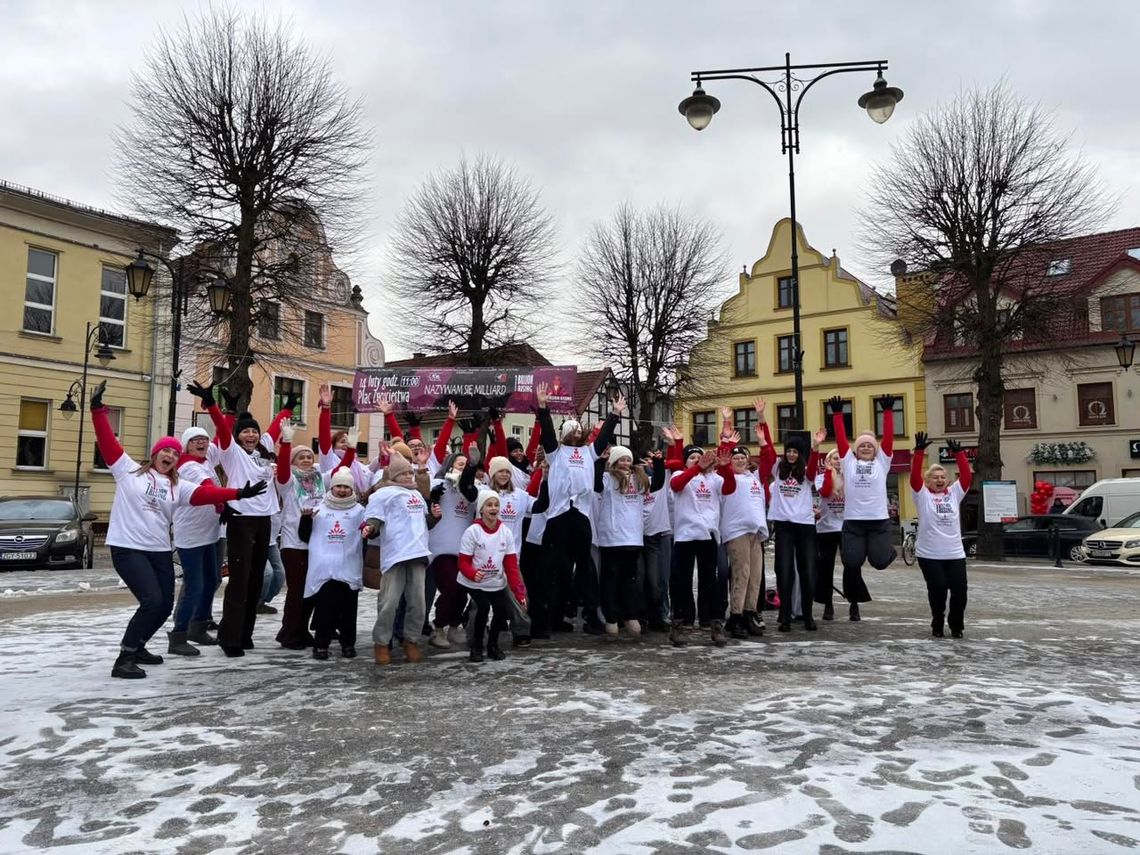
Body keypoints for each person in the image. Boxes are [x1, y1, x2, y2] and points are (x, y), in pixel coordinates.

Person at [90, 381, 266, 679]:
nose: (169, 455)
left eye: (173, 452)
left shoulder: (177, 485)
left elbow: (205, 495)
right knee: (153, 601)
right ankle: (125, 657)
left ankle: (141, 645)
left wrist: (238, 495)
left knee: (164, 605)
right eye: (165, 450)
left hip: (159, 549)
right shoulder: (128, 471)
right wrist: (98, 411)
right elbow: (108, 442)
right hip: (128, 547)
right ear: (155, 454)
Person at [187, 381, 285, 658]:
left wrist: (287, 409)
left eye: (254, 431)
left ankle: (246, 634)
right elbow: (221, 428)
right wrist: (213, 404)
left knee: (255, 581)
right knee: (240, 580)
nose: (251, 435)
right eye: (246, 431)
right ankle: (229, 638)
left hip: (264, 520)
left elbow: (276, 431)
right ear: (239, 436)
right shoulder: (232, 453)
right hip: (242, 520)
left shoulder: (264, 456)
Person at [534, 384, 624, 634]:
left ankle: (589, 615)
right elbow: (547, 434)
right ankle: (551, 616)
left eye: (577, 431)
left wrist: (615, 415)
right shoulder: (556, 452)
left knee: (585, 568)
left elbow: (604, 437)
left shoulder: (589, 452)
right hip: (559, 516)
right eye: (570, 431)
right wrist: (543, 408)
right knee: (555, 568)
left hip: (581, 515)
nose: (574, 434)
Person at [364, 451, 441, 665]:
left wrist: (433, 518)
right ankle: (381, 643)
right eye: (404, 473)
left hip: (417, 553)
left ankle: (411, 640)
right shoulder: (383, 494)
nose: (408, 476)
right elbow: (374, 519)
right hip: (396, 555)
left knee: (418, 602)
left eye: (410, 472)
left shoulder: (416, 495)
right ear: (394, 476)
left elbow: (421, 523)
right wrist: (370, 528)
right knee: (389, 602)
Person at [827, 394, 899, 622]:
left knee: (879, 562)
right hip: (854, 523)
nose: (866, 447)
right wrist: (837, 415)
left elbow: (888, 440)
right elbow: (840, 440)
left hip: (878, 522)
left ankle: (887, 551)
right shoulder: (849, 463)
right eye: (862, 446)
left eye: (870, 445)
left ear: (875, 450)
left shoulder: (882, 462)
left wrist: (887, 413)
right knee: (852, 562)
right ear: (855, 451)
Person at [302, 467, 375, 660]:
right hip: (324, 566)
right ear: (332, 488)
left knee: (349, 610)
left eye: (346, 487)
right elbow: (304, 536)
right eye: (338, 486)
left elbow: (365, 533)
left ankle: (348, 644)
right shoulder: (318, 508)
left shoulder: (359, 511)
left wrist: (368, 531)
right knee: (325, 608)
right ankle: (321, 645)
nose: (342, 490)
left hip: (348, 565)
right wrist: (305, 520)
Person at [669, 442, 735, 647]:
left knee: (710, 581)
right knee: (682, 581)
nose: (698, 461)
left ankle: (714, 621)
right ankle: (681, 622)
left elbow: (729, 488)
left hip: (708, 535)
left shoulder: (714, 478)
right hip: (686, 535)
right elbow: (676, 485)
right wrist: (696, 467)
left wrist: (725, 467)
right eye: (693, 458)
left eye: (701, 458)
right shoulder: (680, 474)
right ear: (686, 461)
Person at [594, 446, 664, 639]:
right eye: (621, 460)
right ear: (614, 462)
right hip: (611, 539)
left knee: (631, 582)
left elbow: (657, 484)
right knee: (610, 582)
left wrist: (658, 463)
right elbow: (596, 486)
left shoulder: (638, 478)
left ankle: (630, 615)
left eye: (627, 459)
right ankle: (611, 619)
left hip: (633, 539)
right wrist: (601, 462)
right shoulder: (608, 479)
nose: (625, 463)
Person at [170, 426, 226, 655]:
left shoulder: (205, 459)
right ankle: (179, 635)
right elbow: (208, 488)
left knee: (213, 580)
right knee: (195, 585)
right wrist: (226, 502)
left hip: (210, 532)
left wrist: (227, 412)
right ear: (187, 445)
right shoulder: (188, 466)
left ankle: (198, 627)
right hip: (191, 535)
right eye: (195, 440)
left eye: (204, 439)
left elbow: (222, 437)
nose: (202, 443)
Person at [911, 433, 972, 639]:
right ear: (927, 480)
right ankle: (937, 619)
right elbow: (913, 478)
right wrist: (919, 453)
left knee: (959, 591)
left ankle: (956, 625)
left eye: (942, 477)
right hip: (929, 554)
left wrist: (960, 455)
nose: (939, 480)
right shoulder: (922, 494)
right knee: (938, 589)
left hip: (954, 553)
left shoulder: (954, 493)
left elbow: (966, 477)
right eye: (935, 477)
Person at [457, 489, 528, 661]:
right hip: (474, 582)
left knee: (501, 609)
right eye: (489, 505)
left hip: (496, 581)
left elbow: (511, 566)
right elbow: (463, 562)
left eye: (496, 505)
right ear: (482, 509)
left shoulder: (505, 532)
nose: (493, 508)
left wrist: (519, 592)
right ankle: (477, 645)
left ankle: (493, 646)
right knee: (482, 607)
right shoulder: (473, 531)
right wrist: (473, 574)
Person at [721, 415, 774, 640]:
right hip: (737, 531)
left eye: (743, 457)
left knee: (755, 576)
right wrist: (726, 430)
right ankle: (735, 616)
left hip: (756, 533)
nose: (740, 461)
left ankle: (750, 612)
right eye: (737, 458)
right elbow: (723, 457)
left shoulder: (754, 477)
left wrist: (763, 438)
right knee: (741, 574)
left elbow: (769, 458)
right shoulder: (726, 477)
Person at [767, 428, 822, 633]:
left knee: (807, 571)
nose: (791, 454)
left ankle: (807, 615)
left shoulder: (807, 473)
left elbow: (814, 465)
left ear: (800, 455)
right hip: (784, 526)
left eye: (795, 452)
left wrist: (816, 447)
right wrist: (763, 422)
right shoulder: (777, 470)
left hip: (805, 526)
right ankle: (785, 616)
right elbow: (768, 450)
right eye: (789, 451)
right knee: (784, 571)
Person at [425, 450, 476, 649]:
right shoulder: (438, 485)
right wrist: (432, 500)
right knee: (450, 588)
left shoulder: (472, 489)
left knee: (463, 591)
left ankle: (454, 626)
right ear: (450, 465)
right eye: (459, 464)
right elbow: (424, 498)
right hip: (441, 549)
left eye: (466, 464)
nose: (463, 467)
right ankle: (438, 628)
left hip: (464, 549)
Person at [814, 448, 846, 621]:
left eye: (841, 458)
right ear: (828, 461)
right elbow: (826, 492)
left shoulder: (850, 478)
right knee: (826, 568)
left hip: (847, 528)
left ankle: (854, 603)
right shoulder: (821, 477)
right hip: (826, 528)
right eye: (835, 458)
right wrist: (828, 472)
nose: (838, 461)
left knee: (851, 567)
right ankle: (828, 603)